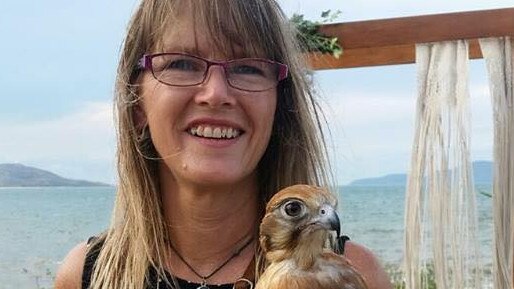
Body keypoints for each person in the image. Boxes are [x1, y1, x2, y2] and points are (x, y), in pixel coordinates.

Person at [55, 1, 392, 288]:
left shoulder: (358, 275)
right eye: (182, 63)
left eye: (248, 68)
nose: (216, 94)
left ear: (278, 105)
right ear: (138, 104)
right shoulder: (89, 275)